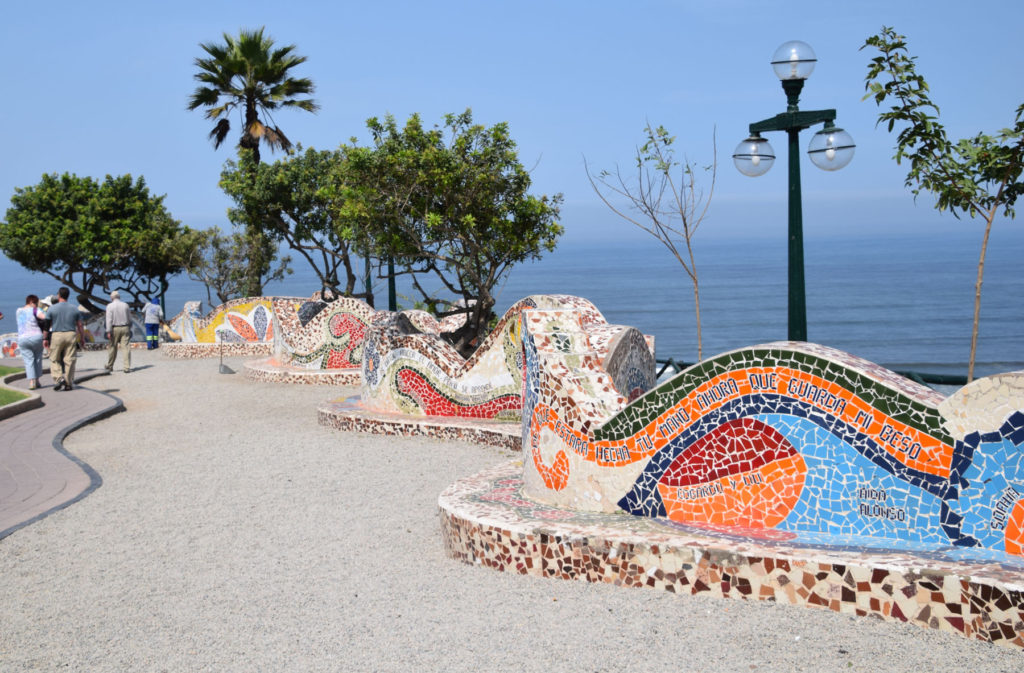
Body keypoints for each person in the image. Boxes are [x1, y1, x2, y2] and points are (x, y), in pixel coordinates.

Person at [47, 287, 85, 391]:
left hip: (57, 334)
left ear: (59, 295)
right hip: (70, 334)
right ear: (68, 295)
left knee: (54, 358)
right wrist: (82, 338)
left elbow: (47, 324)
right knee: (70, 359)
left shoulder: (52, 308)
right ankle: (68, 382)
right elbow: (80, 325)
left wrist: (45, 338)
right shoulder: (74, 308)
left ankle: (59, 379)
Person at [15, 295, 45, 389]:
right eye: (36, 303)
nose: (36, 305)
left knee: (28, 360)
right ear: (32, 302)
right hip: (36, 336)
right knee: (37, 358)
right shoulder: (35, 310)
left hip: (23, 338)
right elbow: (45, 317)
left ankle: (32, 382)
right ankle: (37, 380)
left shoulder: (18, 311)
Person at [104, 290, 132, 373]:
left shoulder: (109, 306)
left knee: (112, 347)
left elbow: (109, 319)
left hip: (114, 328)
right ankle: (126, 367)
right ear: (119, 297)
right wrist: (129, 327)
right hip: (125, 327)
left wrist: (108, 331)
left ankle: (110, 365)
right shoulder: (125, 305)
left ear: (111, 298)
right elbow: (129, 318)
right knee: (126, 347)